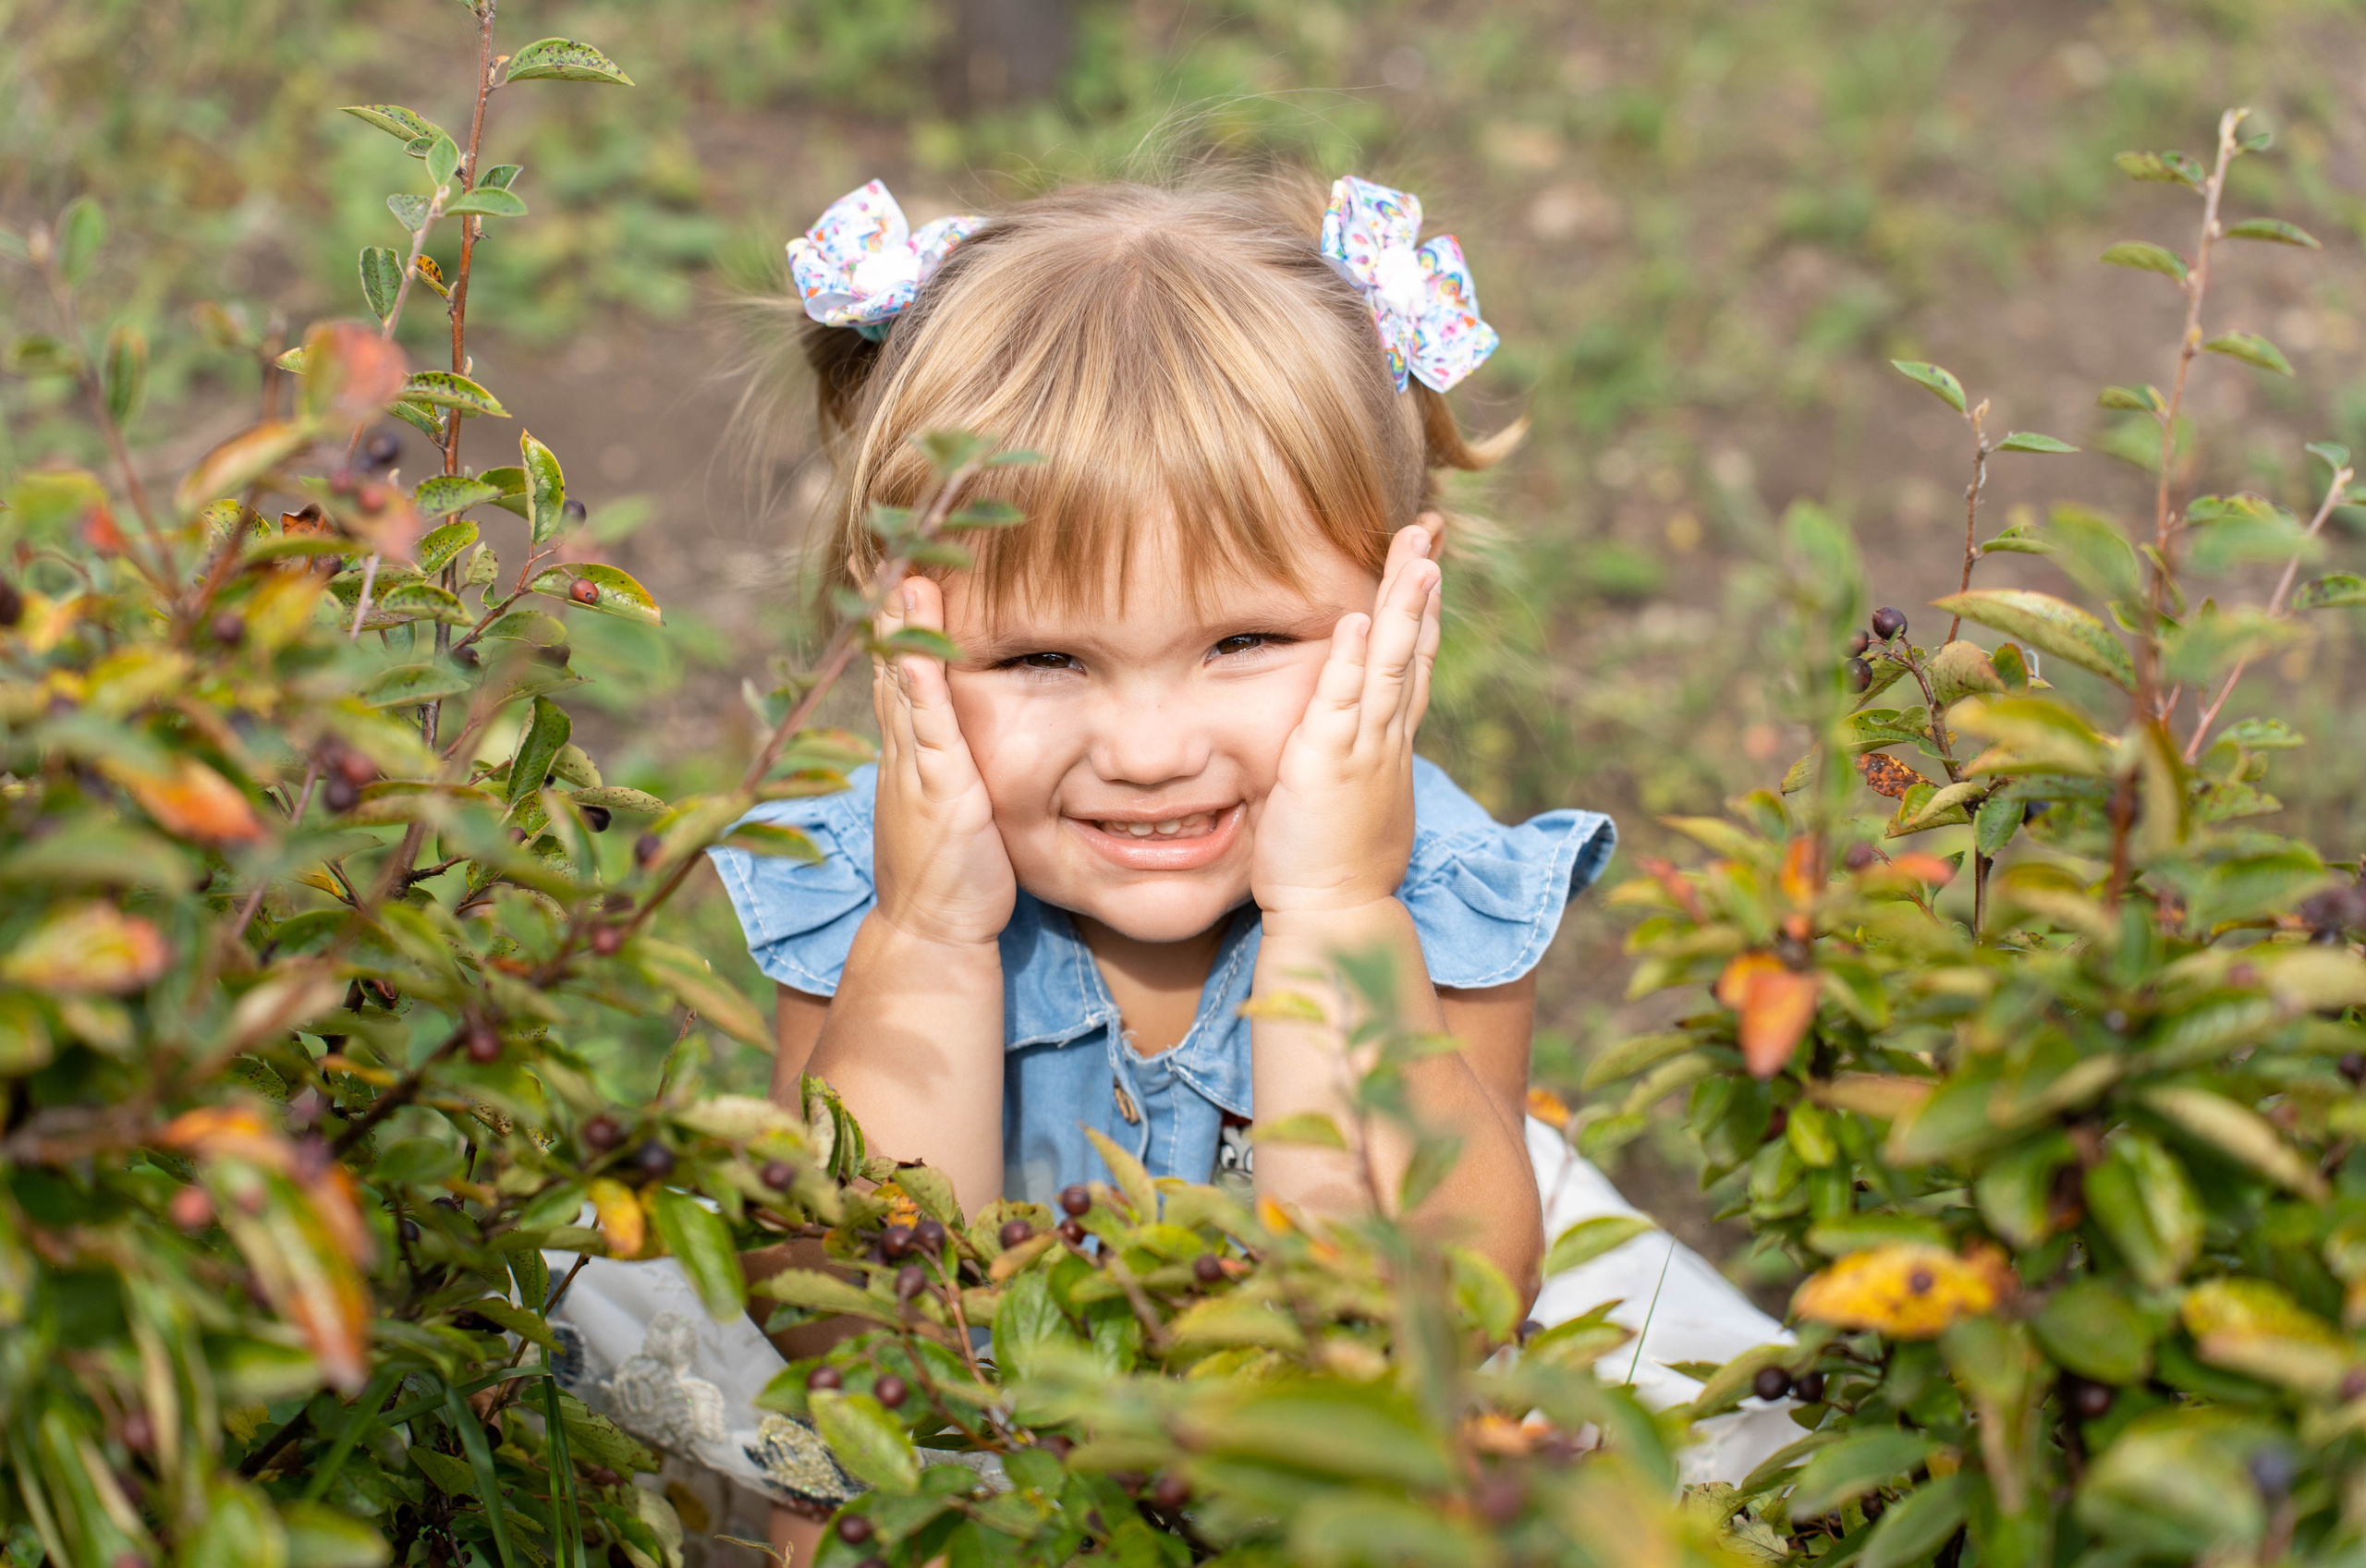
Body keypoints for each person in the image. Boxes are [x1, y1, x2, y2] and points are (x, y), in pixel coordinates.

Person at [547, 174, 1792, 1566]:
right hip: (975, 1429)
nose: (1147, 749)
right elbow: (850, 1325)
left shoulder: (1437, 887)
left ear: (1397, 611)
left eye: (1243, 641)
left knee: (1691, 1458)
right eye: (1042, 658)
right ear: (895, 641)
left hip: (1338, 1457)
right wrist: (936, 933)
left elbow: (1429, 1320)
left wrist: (1336, 914)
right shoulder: (868, 880)